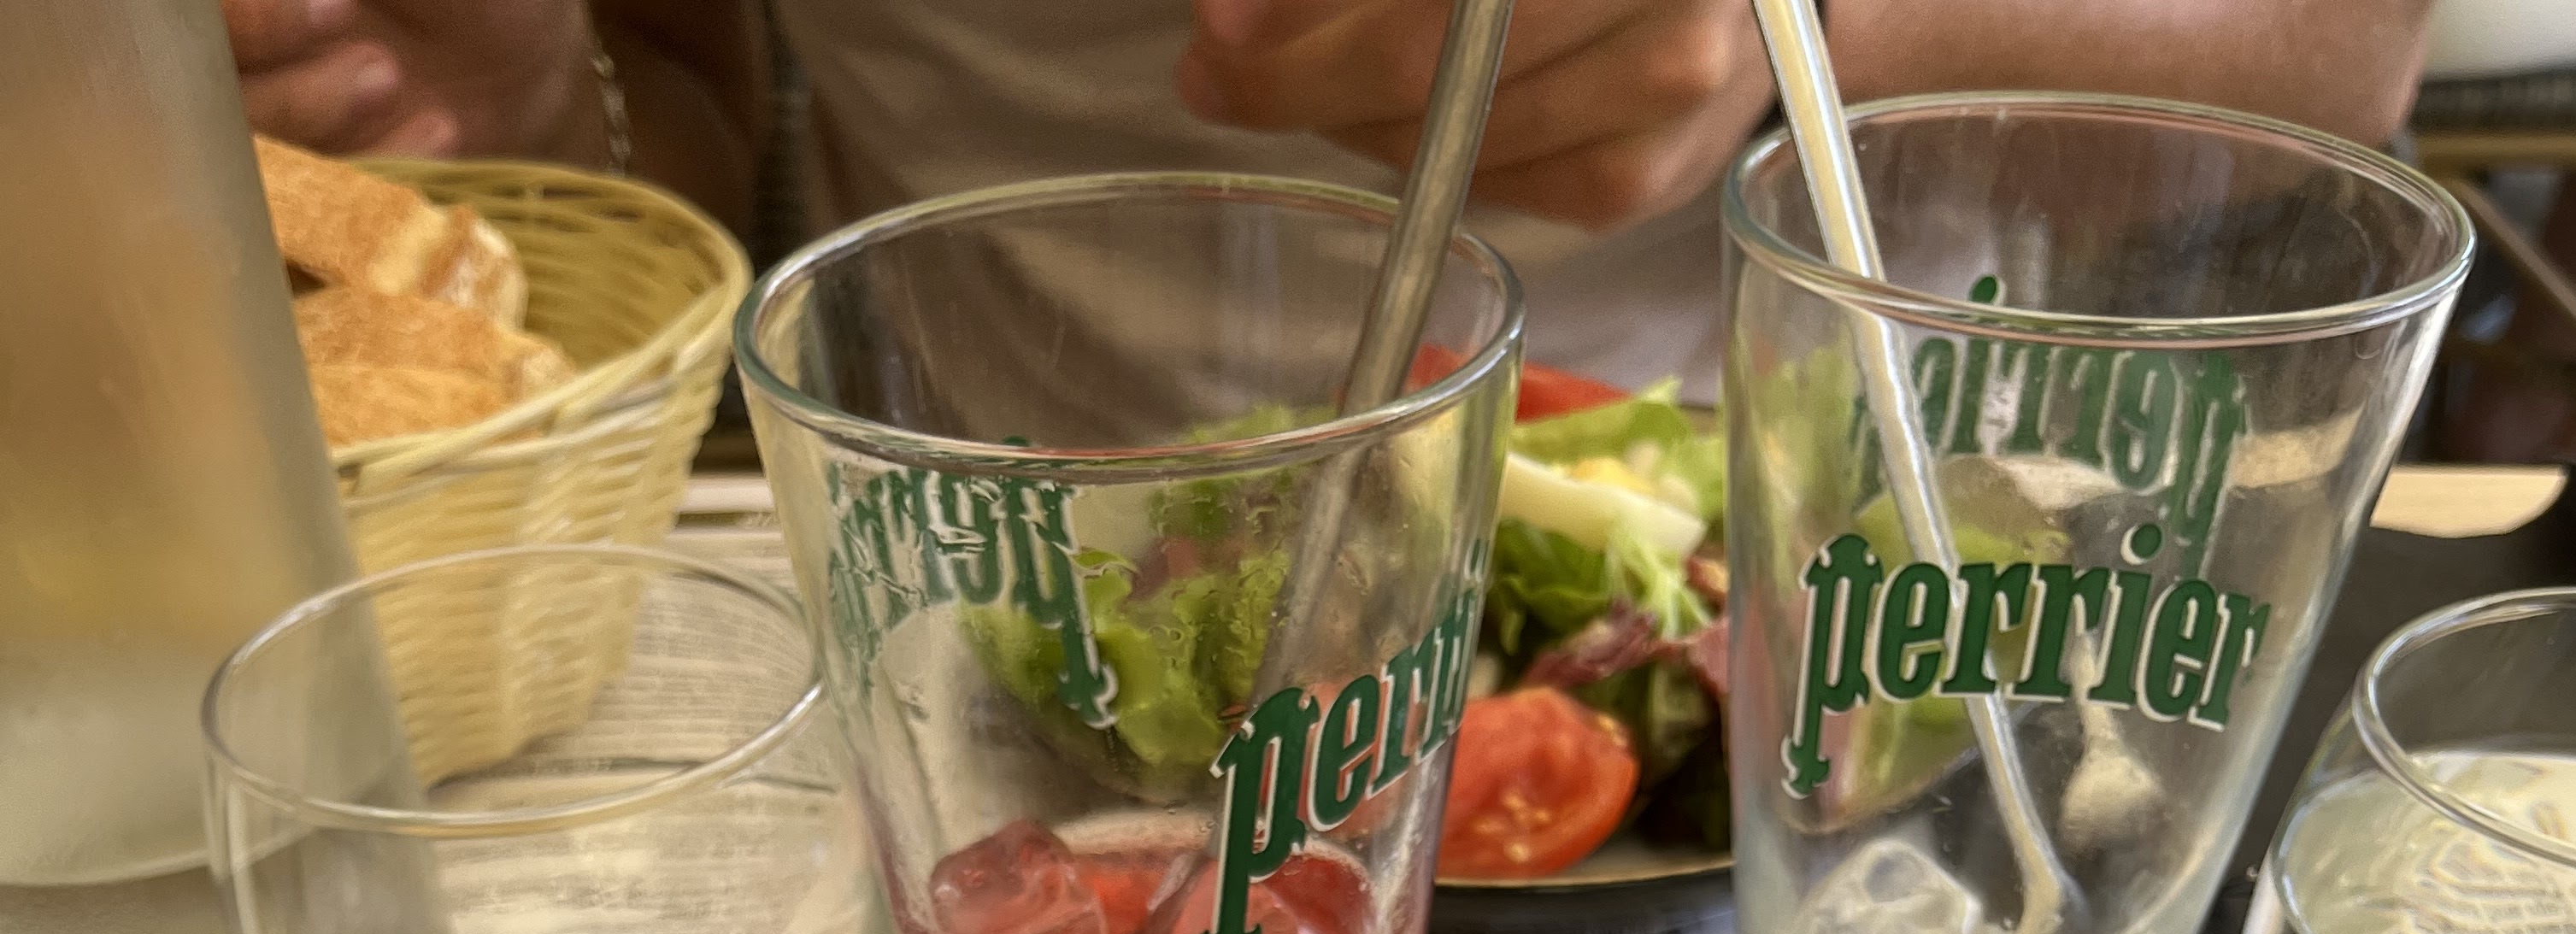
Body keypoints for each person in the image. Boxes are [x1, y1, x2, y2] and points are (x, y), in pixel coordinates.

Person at [224, 0, 2441, 385]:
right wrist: (525, 98)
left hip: (1844, 624)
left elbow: (2346, 57)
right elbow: (680, 134)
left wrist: (1833, 37)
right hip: (1003, 655)